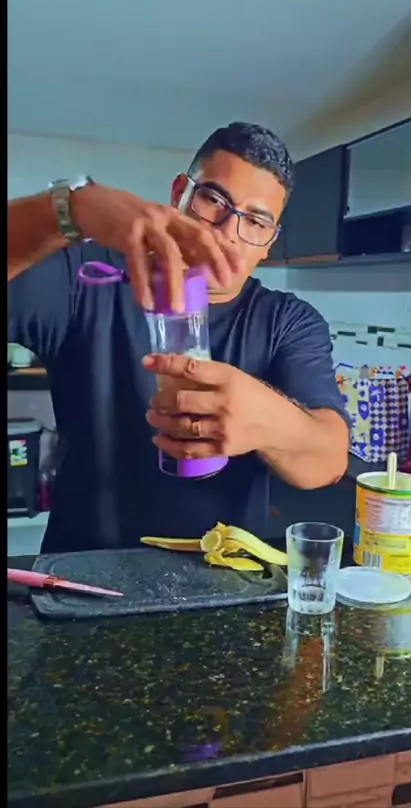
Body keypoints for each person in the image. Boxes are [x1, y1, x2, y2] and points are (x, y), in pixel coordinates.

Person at [8, 122, 350, 553]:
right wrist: (68, 208)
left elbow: (328, 461)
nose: (226, 232)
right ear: (179, 195)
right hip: (79, 576)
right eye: (214, 201)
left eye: (256, 222)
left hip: (223, 578)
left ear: (269, 244)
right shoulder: (86, 278)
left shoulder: (288, 322)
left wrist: (264, 416)